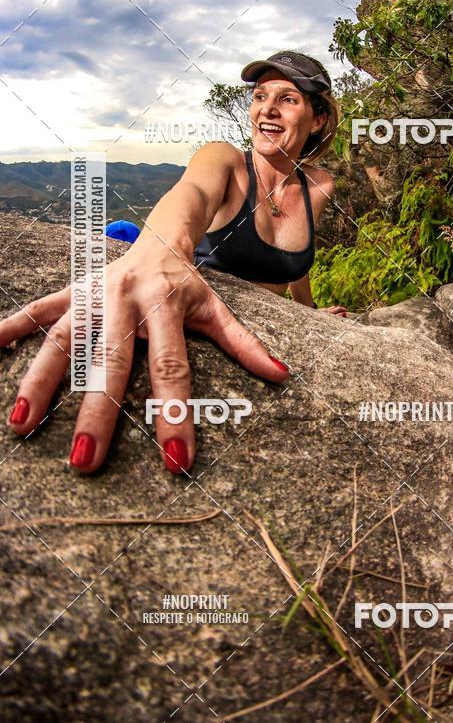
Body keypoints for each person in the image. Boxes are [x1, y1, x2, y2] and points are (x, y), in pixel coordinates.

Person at [1, 50, 347, 477]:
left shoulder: (321, 185)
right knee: (124, 234)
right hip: (180, 268)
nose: (267, 109)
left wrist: (310, 314)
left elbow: (297, 260)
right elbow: (192, 195)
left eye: (288, 99)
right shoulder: (223, 160)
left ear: (317, 119)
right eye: (259, 96)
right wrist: (158, 255)